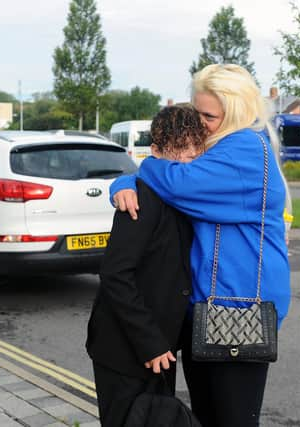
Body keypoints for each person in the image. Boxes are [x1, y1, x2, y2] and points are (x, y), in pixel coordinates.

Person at [109, 63, 292, 427]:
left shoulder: (244, 150)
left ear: (236, 112)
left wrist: (138, 173)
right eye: (198, 112)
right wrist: (123, 184)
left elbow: (176, 182)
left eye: (209, 115)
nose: (200, 124)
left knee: (231, 419)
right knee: (207, 416)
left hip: (237, 312)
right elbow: (172, 173)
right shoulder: (219, 146)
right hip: (208, 308)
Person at [86, 105, 207, 427]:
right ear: (155, 151)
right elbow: (115, 274)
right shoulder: (140, 198)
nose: (191, 155)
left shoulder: (184, 192)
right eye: (181, 148)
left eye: (197, 145)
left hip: (160, 347)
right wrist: (150, 344)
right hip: (125, 348)